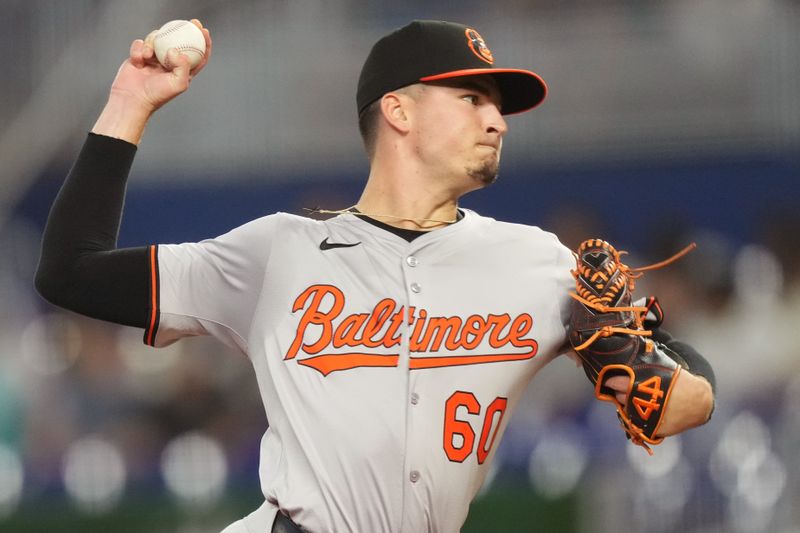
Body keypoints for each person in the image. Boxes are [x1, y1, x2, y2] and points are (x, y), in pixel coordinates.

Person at [35, 18, 715, 533]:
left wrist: (636, 353)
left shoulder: (538, 263)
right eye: (474, 99)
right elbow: (72, 271)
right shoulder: (279, 253)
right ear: (399, 111)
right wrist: (130, 101)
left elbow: (683, 404)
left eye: (497, 106)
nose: (498, 121)